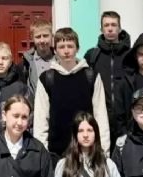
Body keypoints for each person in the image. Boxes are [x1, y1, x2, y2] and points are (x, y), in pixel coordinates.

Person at [33, 27, 110, 165]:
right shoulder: (47, 79)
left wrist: (103, 151)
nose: (66, 51)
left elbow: (100, 115)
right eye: (61, 47)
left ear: (77, 48)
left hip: (87, 153)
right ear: (55, 50)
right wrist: (42, 155)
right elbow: (40, 120)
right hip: (56, 154)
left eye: (70, 46)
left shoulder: (91, 76)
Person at [84, 11, 132, 152]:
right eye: (106, 25)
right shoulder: (92, 56)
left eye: (113, 25)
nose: (110, 29)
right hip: (100, 119)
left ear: (119, 28)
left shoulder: (131, 55)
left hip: (127, 119)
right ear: (101, 29)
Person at [21, 19, 56, 102]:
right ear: (32, 38)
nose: (42, 40)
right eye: (38, 37)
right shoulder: (27, 62)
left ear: (52, 36)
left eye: (45, 36)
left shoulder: (59, 59)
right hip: (35, 107)